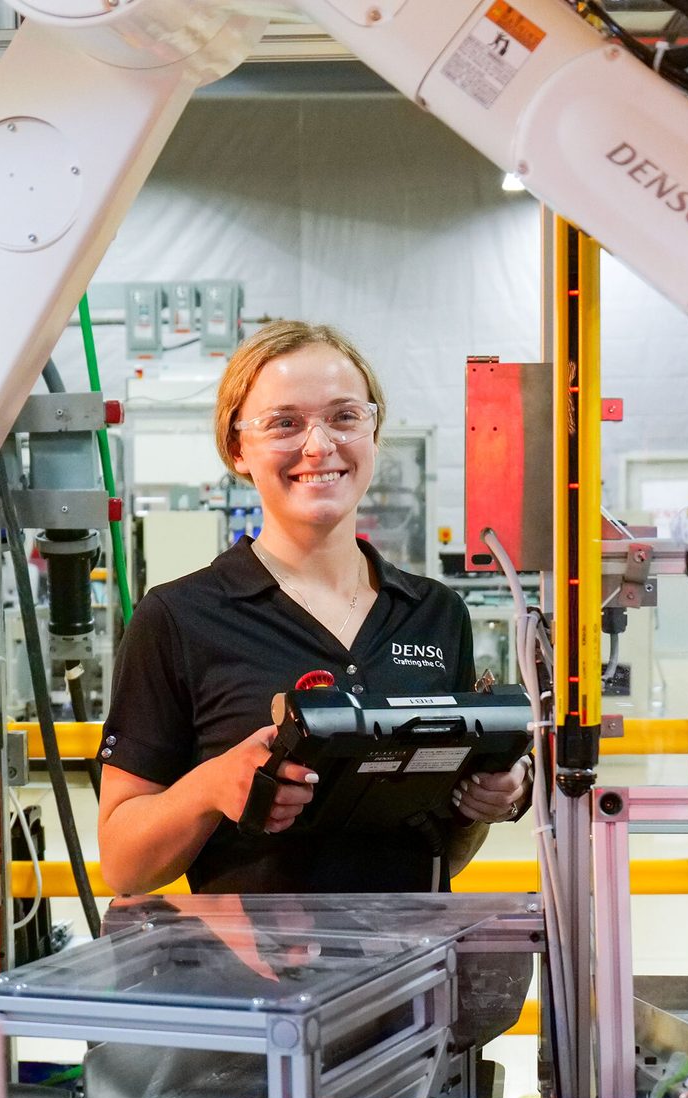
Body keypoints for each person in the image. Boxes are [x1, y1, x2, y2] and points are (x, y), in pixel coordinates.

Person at [96, 320, 530, 895]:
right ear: (237, 449)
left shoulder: (435, 612)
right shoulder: (178, 619)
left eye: (344, 416)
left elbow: (443, 856)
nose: (319, 446)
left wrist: (483, 800)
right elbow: (125, 867)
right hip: (253, 978)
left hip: (415, 970)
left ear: (375, 433)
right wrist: (210, 788)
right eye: (284, 423)